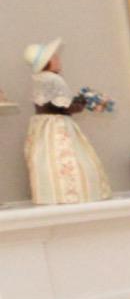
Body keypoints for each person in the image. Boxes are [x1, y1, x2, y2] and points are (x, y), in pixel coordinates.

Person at [23, 38, 112, 205]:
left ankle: (51, 193)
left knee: (47, 159)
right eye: (55, 58)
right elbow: (65, 106)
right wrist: (85, 102)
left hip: (42, 126)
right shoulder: (54, 79)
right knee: (70, 157)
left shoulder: (38, 78)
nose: (59, 61)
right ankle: (75, 192)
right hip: (57, 125)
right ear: (48, 62)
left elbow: (52, 101)